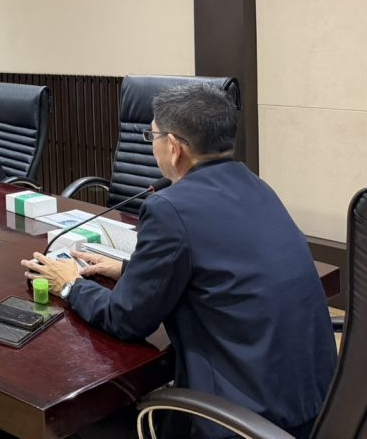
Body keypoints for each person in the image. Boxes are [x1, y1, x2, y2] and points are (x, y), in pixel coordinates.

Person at [20, 83, 335, 439]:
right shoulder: (256, 186)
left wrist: (71, 284)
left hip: (239, 420)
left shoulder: (169, 208)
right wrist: (128, 270)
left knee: (79, 425)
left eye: (151, 136)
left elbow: (126, 320)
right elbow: (220, 268)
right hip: (314, 406)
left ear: (173, 147)